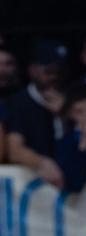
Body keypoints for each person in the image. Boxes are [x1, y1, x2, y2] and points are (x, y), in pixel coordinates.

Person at [5, 39, 68, 188]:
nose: (54, 77)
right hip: (33, 189)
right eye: (48, 71)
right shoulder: (18, 103)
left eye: (59, 71)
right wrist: (42, 163)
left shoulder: (74, 98)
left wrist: (64, 116)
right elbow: (14, 150)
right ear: (33, 70)